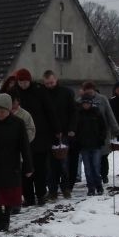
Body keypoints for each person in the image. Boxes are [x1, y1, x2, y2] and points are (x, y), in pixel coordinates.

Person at [0, 94, 33, 232]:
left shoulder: (18, 123)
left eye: (3, 111)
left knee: (8, 193)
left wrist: (28, 166)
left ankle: (5, 218)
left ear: (9, 110)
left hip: (10, 163)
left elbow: (24, 146)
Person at [14, 68, 58, 206]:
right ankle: (28, 197)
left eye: (25, 81)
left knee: (40, 168)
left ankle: (40, 194)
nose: (23, 84)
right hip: (22, 137)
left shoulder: (39, 91)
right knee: (25, 169)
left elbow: (50, 111)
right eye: (21, 81)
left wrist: (56, 129)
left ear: (29, 80)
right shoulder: (14, 92)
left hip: (40, 136)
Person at [42, 70, 76, 199]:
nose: (49, 85)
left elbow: (73, 112)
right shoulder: (42, 93)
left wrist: (71, 128)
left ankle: (66, 188)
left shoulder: (66, 93)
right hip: (48, 134)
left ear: (56, 80)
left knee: (64, 163)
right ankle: (52, 190)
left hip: (64, 132)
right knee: (50, 165)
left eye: (51, 82)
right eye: (47, 83)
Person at [78, 81, 119, 185]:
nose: (89, 93)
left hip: (101, 131)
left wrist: (115, 128)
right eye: (87, 91)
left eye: (91, 91)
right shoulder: (80, 101)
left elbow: (109, 114)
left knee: (103, 155)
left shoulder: (102, 99)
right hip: (86, 135)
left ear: (94, 90)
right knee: (90, 159)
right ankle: (93, 178)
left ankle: (103, 175)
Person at [75, 92, 107, 196]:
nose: (86, 105)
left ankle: (99, 186)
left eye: (88, 103)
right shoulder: (79, 114)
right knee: (87, 169)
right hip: (84, 146)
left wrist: (101, 139)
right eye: (84, 103)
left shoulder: (97, 113)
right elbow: (76, 129)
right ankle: (91, 188)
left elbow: (103, 128)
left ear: (91, 103)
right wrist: (78, 141)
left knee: (96, 167)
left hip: (96, 145)